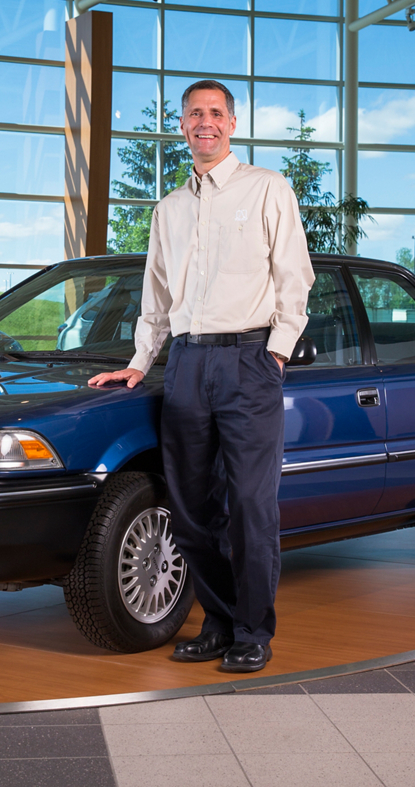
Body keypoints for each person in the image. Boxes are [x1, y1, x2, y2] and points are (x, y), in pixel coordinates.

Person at [89, 80, 314, 673]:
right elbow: (157, 298)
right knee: (190, 509)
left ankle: (253, 631)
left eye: (215, 112)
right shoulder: (169, 209)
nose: (205, 122)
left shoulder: (267, 188)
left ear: (232, 123)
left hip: (249, 359)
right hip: (187, 364)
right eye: (194, 113)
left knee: (251, 506)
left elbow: (295, 277)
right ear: (183, 126)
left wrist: (277, 353)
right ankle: (218, 623)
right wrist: (140, 362)